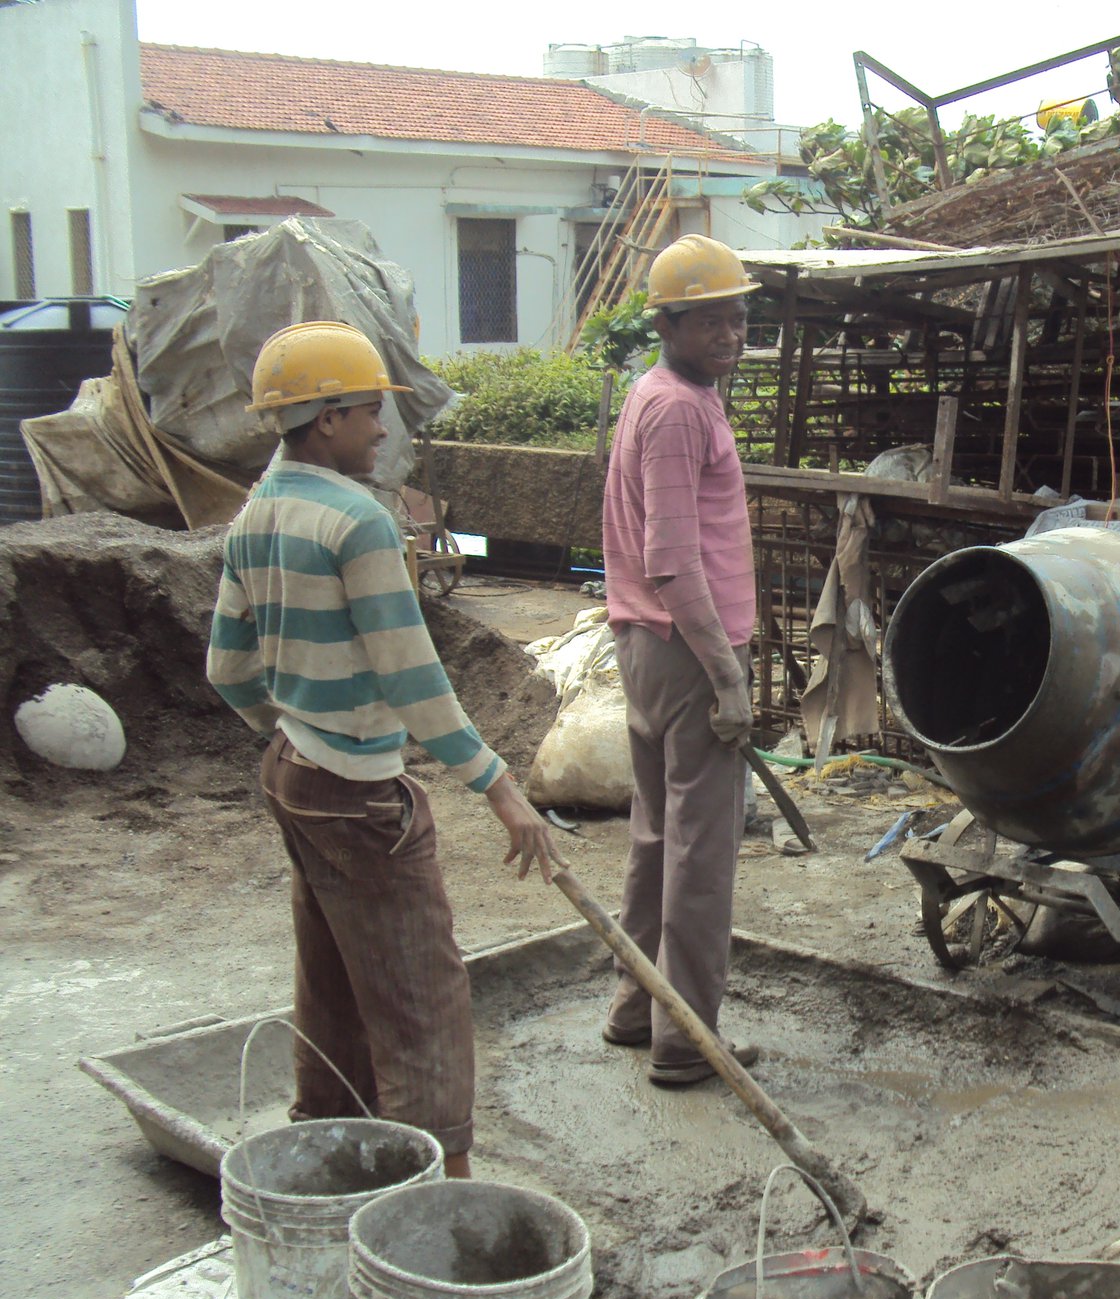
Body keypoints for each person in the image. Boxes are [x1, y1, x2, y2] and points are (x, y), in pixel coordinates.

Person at [206, 320, 558, 1178]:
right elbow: (410, 676)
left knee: (332, 985)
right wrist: (498, 784)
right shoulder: (358, 521)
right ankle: (443, 1198)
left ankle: (326, 1154)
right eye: (370, 413)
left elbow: (226, 668)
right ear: (324, 419)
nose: (381, 431)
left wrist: (291, 724)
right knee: (421, 1002)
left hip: (293, 776)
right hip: (360, 794)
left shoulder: (257, 512)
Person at [599, 235, 763, 1086]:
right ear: (670, 322)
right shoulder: (675, 410)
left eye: (739, 316)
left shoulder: (664, 395)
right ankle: (686, 1040)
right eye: (713, 320)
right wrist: (728, 677)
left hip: (660, 646)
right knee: (701, 850)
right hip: (687, 651)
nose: (731, 333)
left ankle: (636, 1009)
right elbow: (671, 559)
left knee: (660, 836)